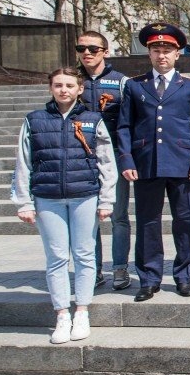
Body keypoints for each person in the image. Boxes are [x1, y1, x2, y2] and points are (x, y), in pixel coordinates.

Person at [13, 68, 116, 343]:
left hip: (85, 194)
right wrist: (23, 201)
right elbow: (23, 162)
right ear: (50, 88)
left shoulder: (93, 120)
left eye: (69, 85)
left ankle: (81, 311)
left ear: (79, 89)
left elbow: (107, 161)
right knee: (57, 258)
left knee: (84, 255)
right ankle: (61, 314)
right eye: (58, 85)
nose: (64, 90)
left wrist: (107, 199)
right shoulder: (35, 120)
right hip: (47, 197)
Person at [116, 23, 190, 302]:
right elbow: (124, 126)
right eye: (156, 50)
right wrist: (126, 159)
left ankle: (184, 276)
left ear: (177, 54)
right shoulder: (135, 86)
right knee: (148, 222)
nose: (162, 55)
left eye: (167, 50)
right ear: (149, 53)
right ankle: (149, 278)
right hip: (146, 164)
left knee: (184, 222)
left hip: (182, 164)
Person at [76, 30, 130, 290]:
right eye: (82, 48)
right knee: (89, 218)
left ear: (105, 52)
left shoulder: (120, 82)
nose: (87, 53)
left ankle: (120, 268)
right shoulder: (72, 80)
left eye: (93, 48)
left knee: (118, 216)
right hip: (83, 159)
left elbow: (131, 122)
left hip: (116, 157)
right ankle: (93, 269)